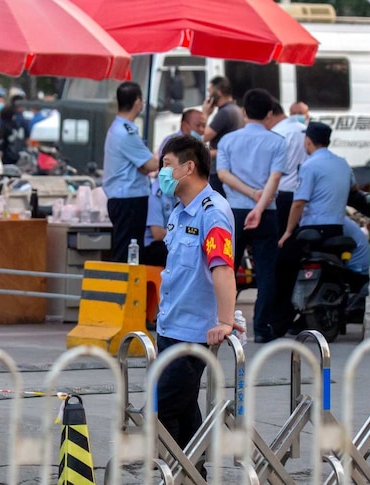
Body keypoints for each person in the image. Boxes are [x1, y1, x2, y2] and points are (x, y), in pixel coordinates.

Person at [154, 135, 240, 457]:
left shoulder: (212, 212)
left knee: (161, 407)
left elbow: (223, 268)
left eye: (167, 165)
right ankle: (194, 475)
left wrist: (225, 321)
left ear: (188, 167)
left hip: (192, 334)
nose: (162, 173)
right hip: (169, 326)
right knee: (185, 410)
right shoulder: (180, 211)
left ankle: (179, 472)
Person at [216, 89, 285, 343]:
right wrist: (260, 204)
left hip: (233, 212)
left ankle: (224, 323)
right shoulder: (278, 142)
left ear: (243, 112)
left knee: (226, 268)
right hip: (266, 213)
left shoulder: (227, 142)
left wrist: (249, 195)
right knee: (266, 272)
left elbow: (223, 175)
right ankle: (263, 328)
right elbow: (275, 177)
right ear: (269, 113)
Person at [274, 122, 352, 336]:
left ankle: (282, 320)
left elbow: (299, 203)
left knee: (284, 266)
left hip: (313, 232)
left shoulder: (309, 166)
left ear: (307, 140)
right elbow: (352, 189)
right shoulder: (342, 163)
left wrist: (288, 232)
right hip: (337, 229)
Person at [103, 82, 159, 262]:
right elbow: (150, 164)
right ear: (137, 102)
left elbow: (142, 166)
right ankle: (121, 289)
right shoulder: (125, 132)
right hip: (129, 199)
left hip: (126, 198)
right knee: (127, 251)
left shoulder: (120, 128)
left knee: (130, 250)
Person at [266, 99, 307, 236]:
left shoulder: (276, 133)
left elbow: (270, 170)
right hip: (305, 194)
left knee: (281, 239)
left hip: (282, 194)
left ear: (269, 115)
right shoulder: (304, 129)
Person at [202, 76, 244, 191]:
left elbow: (203, 136)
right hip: (230, 168)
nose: (208, 97)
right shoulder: (235, 109)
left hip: (218, 169)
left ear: (218, 92)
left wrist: (205, 114)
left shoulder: (225, 113)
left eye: (210, 92)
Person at [141, 176, 175, 267]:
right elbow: (158, 234)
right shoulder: (155, 195)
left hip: (171, 241)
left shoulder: (179, 194)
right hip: (154, 246)